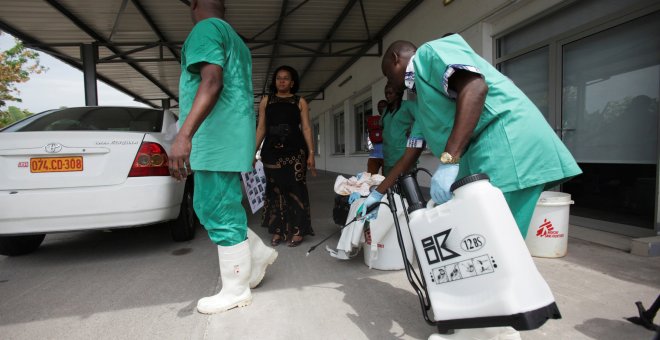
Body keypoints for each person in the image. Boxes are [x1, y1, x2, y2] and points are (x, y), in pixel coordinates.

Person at [360, 34, 582, 240]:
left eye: (388, 74)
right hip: (490, 156)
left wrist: (449, 160)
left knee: (492, 244)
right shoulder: (424, 105)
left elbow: (475, 87)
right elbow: (408, 157)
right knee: (488, 243)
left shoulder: (428, 54)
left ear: (395, 59)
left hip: (508, 147)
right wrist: (377, 194)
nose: (389, 82)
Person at [169, 0, 278, 315]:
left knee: (217, 210)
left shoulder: (205, 29)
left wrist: (184, 135)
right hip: (229, 137)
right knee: (211, 206)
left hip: (216, 138)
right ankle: (255, 254)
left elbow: (211, 81)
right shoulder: (235, 40)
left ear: (194, 3)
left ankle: (236, 289)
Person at [255, 65, 316, 248]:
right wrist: (253, 151)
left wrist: (311, 153)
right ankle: (277, 230)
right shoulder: (266, 101)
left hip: (296, 153)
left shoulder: (300, 102)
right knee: (274, 191)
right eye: (278, 78)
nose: (282, 81)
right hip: (271, 153)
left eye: (286, 78)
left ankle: (297, 230)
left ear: (292, 82)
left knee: (296, 189)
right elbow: (261, 128)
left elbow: (305, 128)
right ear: (275, 82)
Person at [381, 83, 416, 176]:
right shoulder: (385, 111)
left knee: (406, 186)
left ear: (398, 94)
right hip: (388, 155)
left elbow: (421, 120)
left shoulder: (408, 105)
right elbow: (383, 127)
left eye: (390, 93)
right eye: (386, 93)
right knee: (390, 187)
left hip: (403, 154)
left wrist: (414, 135)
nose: (387, 96)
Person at [366, 100, 387, 175]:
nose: (381, 108)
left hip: (387, 156)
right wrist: (369, 148)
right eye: (379, 107)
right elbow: (368, 135)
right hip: (373, 155)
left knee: (386, 180)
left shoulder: (392, 119)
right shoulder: (373, 120)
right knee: (370, 179)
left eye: (383, 106)